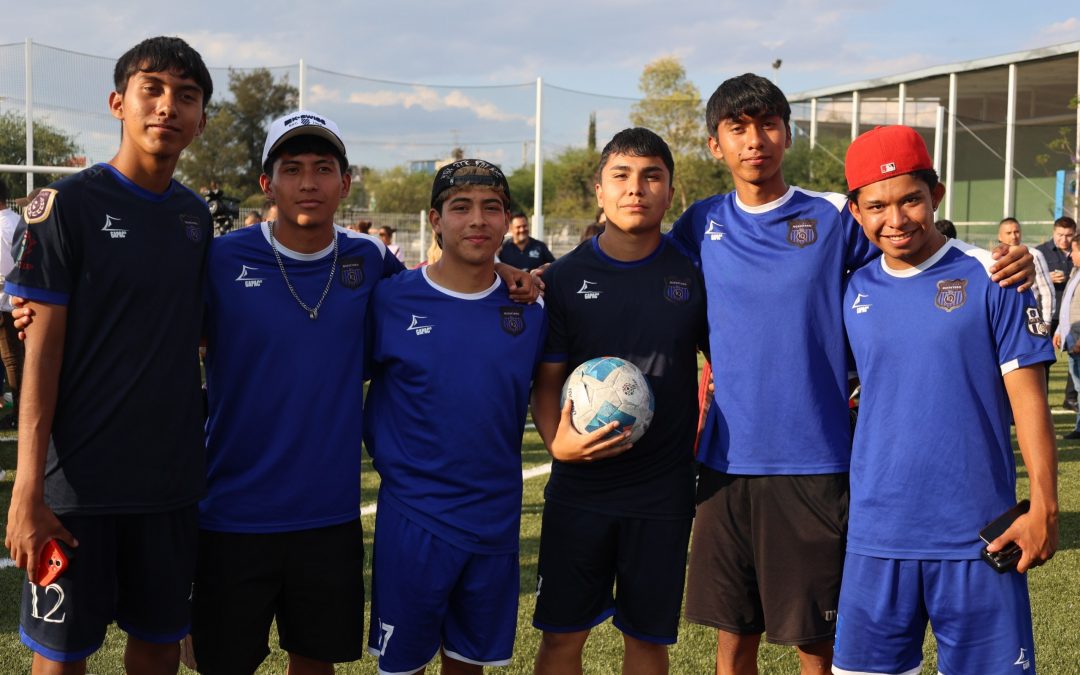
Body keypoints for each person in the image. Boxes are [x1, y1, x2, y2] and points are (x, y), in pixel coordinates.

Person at [670, 73, 1034, 674]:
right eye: (737, 129)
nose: (754, 140)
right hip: (725, 463)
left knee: (819, 640)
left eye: (767, 125)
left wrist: (997, 260)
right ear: (715, 145)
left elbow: (912, 251)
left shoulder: (833, 219)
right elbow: (650, 278)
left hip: (818, 461)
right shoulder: (699, 223)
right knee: (733, 637)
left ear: (787, 134)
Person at [3, 36, 213, 673]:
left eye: (186, 96)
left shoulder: (195, 217)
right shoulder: (66, 206)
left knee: (157, 644)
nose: (167, 107)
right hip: (77, 488)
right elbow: (39, 355)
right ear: (118, 102)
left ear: (201, 120)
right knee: (60, 657)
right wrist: (27, 489)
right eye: (152, 89)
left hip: (170, 485)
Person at [836, 123, 1057, 674]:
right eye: (877, 206)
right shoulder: (853, 288)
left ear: (935, 196)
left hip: (978, 533)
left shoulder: (994, 276)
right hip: (875, 534)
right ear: (856, 212)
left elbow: (1030, 401)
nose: (895, 219)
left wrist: (1044, 506)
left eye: (910, 199)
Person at [530, 128, 706, 674]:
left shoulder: (694, 273)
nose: (637, 189)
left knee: (647, 641)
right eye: (621, 177)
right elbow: (547, 380)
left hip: (662, 492)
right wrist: (556, 442)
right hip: (581, 490)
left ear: (670, 192)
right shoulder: (563, 278)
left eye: (652, 176)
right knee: (562, 638)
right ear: (599, 192)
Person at [363, 159, 546, 674]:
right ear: (434, 219)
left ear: (508, 220)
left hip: (496, 519)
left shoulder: (529, 311)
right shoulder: (389, 300)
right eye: (460, 207)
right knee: (403, 666)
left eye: (492, 208)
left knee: (468, 664)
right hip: (415, 519)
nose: (477, 220)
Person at [1036, 216, 1077, 408]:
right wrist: (1047, 279)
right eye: (1060, 235)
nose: (1064, 240)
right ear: (1054, 232)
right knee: (1043, 359)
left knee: (1073, 358)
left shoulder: (1076, 253)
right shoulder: (1041, 252)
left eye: (1069, 235)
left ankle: (1071, 398)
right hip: (1046, 316)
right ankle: (1040, 396)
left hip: (1070, 318)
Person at [1000, 217, 1055, 341]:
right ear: (1000, 236)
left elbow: (1047, 292)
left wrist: (1046, 322)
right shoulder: (994, 259)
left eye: (1017, 232)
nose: (1014, 236)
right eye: (1009, 233)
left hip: (1030, 319)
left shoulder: (1034, 255)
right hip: (1005, 319)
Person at [0, 181, 24, 428]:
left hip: (4, 302)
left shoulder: (3, 225)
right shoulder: (16, 221)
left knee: (12, 360)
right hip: (16, 298)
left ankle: (19, 412)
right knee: (15, 359)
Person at [1054, 237, 1080, 440]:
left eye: (1074, 250)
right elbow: (1068, 306)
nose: (1070, 255)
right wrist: (1059, 332)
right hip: (1071, 339)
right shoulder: (1075, 272)